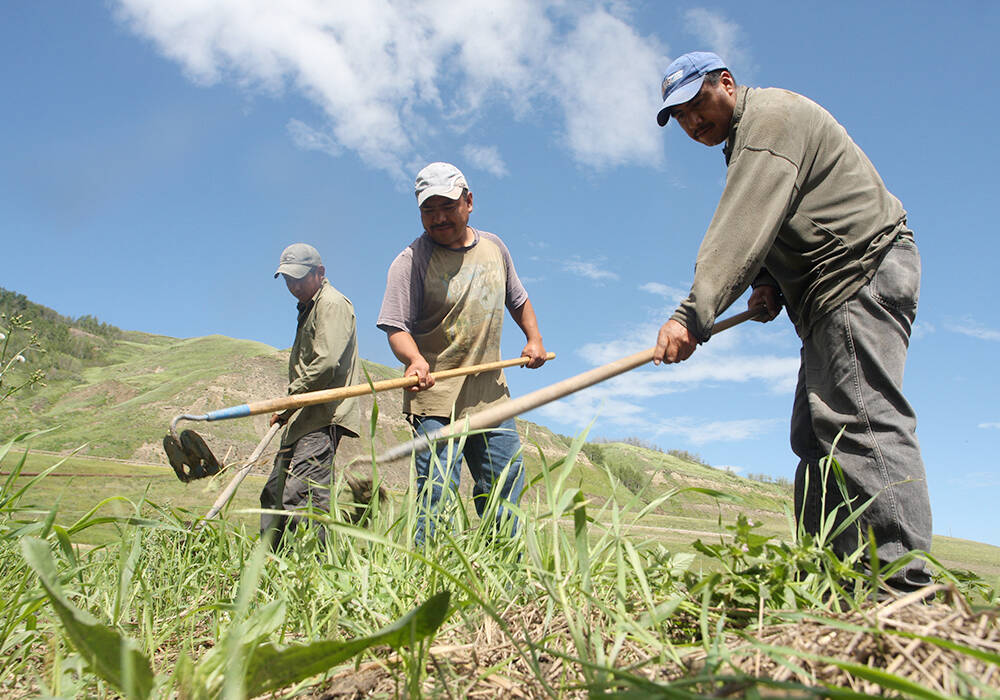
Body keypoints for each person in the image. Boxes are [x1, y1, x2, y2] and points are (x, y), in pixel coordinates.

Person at [652, 52, 932, 592]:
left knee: (861, 423)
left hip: (858, 272)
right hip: (827, 294)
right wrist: (770, 285)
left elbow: (744, 224)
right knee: (815, 436)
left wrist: (692, 314)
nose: (691, 123)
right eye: (679, 117)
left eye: (695, 105)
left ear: (727, 84)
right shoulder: (748, 137)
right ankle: (831, 580)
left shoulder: (768, 122)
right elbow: (788, 219)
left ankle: (902, 591)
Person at [377, 162, 547, 545]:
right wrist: (414, 360)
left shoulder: (494, 248)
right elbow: (395, 325)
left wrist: (534, 339)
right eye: (428, 209)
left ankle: (507, 577)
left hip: (491, 396)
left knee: (504, 490)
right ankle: (426, 580)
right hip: (436, 397)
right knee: (436, 495)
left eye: (447, 206)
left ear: (468, 202)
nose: (438, 218)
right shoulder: (411, 261)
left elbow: (517, 299)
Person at [261, 243, 362, 548]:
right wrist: (290, 409)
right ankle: (266, 565)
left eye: (299, 279)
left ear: (320, 273)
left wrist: (289, 399)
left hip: (321, 415)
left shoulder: (331, 304)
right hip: (301, 415)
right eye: (288, 280)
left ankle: (308, 571)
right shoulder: (309, 307)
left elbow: (326, 363)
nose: (293, 287)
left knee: (302, 495)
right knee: (274, 493)